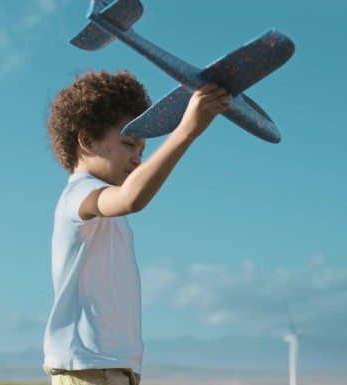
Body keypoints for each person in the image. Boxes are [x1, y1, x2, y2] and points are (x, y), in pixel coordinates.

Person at [43, 70, 231, 385]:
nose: (137, 159)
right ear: (87, 141)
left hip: (110, 366)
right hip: (90, 367)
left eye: (142, 151)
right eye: (129, 144)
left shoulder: (105, 210)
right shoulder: (79, 192)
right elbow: (132, 198)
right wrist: (187, 130)